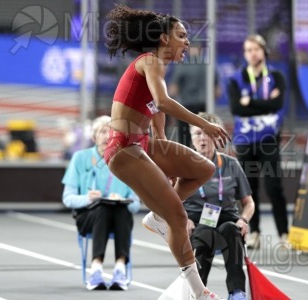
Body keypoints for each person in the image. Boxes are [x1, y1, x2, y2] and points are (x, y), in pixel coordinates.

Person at [104, 6, 230, 300]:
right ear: (163, 39)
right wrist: (204, 124)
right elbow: (162, 101)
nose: (187, 42)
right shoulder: (152, 61)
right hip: (123, 149)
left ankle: (156, 217)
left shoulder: (157, 65)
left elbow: (153, 107)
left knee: (204, 168)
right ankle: (199, 292)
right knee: (178, 215)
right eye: (182, 36)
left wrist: (160, 142)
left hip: (141, 144)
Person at [61, 115, 140, 291]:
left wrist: (123, 201)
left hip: (120, 217)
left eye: (112, 132)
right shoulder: (80, 158)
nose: (107, 136)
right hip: (88, 216)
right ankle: (96, 268)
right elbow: (68, 198)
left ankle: (119, 269)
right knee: (103, 207)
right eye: (103, 131)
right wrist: (88, 198)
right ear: (94, 137)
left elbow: (135, 204)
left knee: (121, 209)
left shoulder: (126, 161)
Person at [227, 34, 289, 249]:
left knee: (274, 188)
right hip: (245, 140)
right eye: (248, 50)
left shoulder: (276, 76)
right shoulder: (236, 79)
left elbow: (278, 104)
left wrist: (250, 102)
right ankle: (254, 233)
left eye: (256, 49)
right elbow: (236, 108)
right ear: (245, 54)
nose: (253, 53)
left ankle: (283, 234)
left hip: (268, 140)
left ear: (264, 51)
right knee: (248, 189)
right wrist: (265, 103)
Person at [184, 112, 254, 300]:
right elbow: (171, 200)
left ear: (216, 136)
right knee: (205, 232)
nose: (202, 138)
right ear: (192, 138)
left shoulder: (231, 164)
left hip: (227, 218)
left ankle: (237, 292)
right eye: (197, 133)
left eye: (206, 133)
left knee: (232, 230)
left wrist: (243, 219)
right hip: (198, 221)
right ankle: (198, 291)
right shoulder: (183, 166)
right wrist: (184, 219)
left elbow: (249, 203)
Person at [168, 43, 221, 146]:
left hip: (185, 109)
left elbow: (173, 90)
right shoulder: (209, 65)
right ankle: (204, 161)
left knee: (184, 142)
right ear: (200, 49)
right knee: (204, 141)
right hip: (205, 108)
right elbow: (217, 91)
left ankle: (185, 161)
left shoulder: (182, 65)